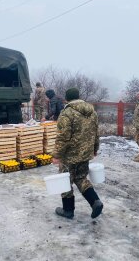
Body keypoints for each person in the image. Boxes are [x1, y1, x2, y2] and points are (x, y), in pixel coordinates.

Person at [52, 87, 103, 219]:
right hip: (85, 153)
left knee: (65, 181)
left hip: (69, 155)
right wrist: (95, 149)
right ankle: (95, 201)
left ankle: (68, 210)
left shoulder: (67, 113)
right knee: (81, 178)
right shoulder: (92, 112)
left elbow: (63, 137)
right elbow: (96, 133)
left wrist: (57, 155)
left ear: (67, 99)